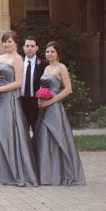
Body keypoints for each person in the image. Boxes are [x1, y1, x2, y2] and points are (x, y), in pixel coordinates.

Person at [0, 31, 38, 186]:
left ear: (16, 43)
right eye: (5, 42)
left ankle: (13, 171)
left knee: (8, 133)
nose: (7, 44)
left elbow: (19, 83)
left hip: (10, 99)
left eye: (10, 42)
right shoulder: (0, 58)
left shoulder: (18, 59)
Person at [33, 41, 85, 186]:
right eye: (47, 51)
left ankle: (63, 173)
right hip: (44, 108)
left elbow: (68, 89)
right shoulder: (46, 68)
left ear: (57, 53)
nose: (49, 54)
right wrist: (40, 98)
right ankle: (46, 174)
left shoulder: (61, 67)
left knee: (57, 138)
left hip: (54, 108)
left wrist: (52, 101)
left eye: (52, 52)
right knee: (44, 140)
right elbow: (42, 87)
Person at [21, 36, 46, 135]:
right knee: (23, 131)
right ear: (23, 47)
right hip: (21, 101)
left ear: (37, 48)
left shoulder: (43, 64)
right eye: (27, 46)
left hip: (36, 102)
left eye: (32, 46)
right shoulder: (19, 62)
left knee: (38, 130)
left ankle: (37, 150)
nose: (29, 48)